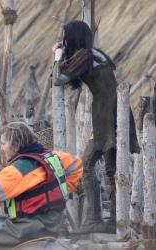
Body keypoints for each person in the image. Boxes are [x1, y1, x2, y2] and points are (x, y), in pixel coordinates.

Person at [52, 20, 140, 232]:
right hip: (115, 109)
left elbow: (58, 79)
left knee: (88, 164)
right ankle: (113, 221)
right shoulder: (93, 54)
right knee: (111, 168)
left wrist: (56, 55)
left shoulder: (85, 55)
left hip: (106, 112)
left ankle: (95, 220)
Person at [0, 121, 83, 249]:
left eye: (3, 143)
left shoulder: (18, 170)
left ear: (15, 144)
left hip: (28, 229)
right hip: (53, 224)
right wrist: (64, 189)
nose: (2, 148)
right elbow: (77, 166)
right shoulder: (53, 157)